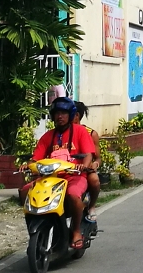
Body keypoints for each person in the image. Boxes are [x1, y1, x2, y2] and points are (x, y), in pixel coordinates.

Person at [33, 98, 100, 245]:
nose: (60, 116)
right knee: (26, 191)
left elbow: (89, 154)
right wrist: (28, 165)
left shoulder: (81, 131)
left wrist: (84, 165)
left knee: (73, 195)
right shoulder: (47, 136)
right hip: (51, 178)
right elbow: (36, 158)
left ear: (71, 115)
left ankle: (76, 230)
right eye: (57, 113)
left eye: (63, 113)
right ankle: (34, 232)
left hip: (74, 176)